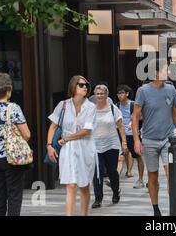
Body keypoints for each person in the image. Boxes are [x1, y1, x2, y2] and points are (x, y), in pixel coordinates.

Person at [131, 59, 176, 216]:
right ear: (155, 73)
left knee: (171, 174)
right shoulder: (143, 91)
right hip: (149, 140)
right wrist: (136, 140)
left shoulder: (171, 89)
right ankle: (156, 208)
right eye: (166, 70)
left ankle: (174, 206)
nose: (168, 73)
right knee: (152, 175)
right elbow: (135, 116)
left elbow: (175, 113)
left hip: (168, 139)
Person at [0, 73, 31, 216]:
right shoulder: (13, 108)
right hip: (11, 158)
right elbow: (26, 134)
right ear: (8, 90)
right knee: (14, 197)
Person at [46, 75, 96, 216]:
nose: (85, 86)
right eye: (81, 84)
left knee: (84, 185)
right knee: (71, 185)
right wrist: (49, 145)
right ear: (73, 87)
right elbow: (53, 126)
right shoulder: (63, 105)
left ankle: (84, 214)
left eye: (86, 84)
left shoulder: (91, 107)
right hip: (67, 149)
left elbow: (86, 130)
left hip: (85, 147)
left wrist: (67, 138)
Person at [91, 84, 128, 209]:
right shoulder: (91, 110)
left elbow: (121, 126)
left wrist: (124, 142)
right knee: (97, 172)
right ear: (95, 96)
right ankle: (98, 198)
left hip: (111, 144)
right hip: (95, 145)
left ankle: (115, 191)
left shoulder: (113, 109)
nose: (100, 96)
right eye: (97, 93)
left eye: (102, 93)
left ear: (106, 95)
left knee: (112, 171)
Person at [116, 84, 145, 189]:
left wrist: (133, 122)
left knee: (138, 156)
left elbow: (141, 116)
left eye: (122, 93)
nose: (120, 95)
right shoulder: (117, 105)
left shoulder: (133, 104)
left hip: (133, 135)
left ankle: (141, 179)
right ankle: (115, 180)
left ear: (127, 94)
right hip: (121, 135)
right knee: (120, 157)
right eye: (118, 93)